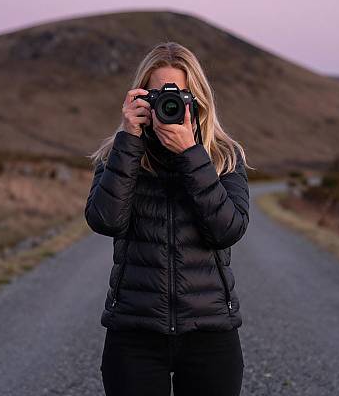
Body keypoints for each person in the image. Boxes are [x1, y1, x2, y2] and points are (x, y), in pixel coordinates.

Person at [84, 42, 252, 396]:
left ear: (199, 99)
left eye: (181, 94)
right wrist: (129, 141)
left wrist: (191, 155)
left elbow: (228, 230)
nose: (169, 104)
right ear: (140, 97)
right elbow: (105, 220)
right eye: (158, 94)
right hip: (134, 333)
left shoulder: (224, 157)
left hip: (210, 332)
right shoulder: (117, 154)